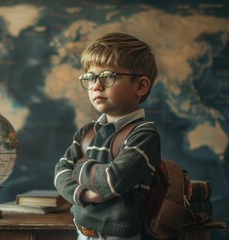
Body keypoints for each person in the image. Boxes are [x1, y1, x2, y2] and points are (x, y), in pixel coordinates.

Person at [54, 32, 161, 240]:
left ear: (140, 86)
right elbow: (59, 172)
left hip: (120, 235)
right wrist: (85, 194)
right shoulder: (86, 132)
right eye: (91, 77)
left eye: (108, 76)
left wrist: (80, 165)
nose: (96, 86)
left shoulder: (144, 134)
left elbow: (114, 180)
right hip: (82, 231)